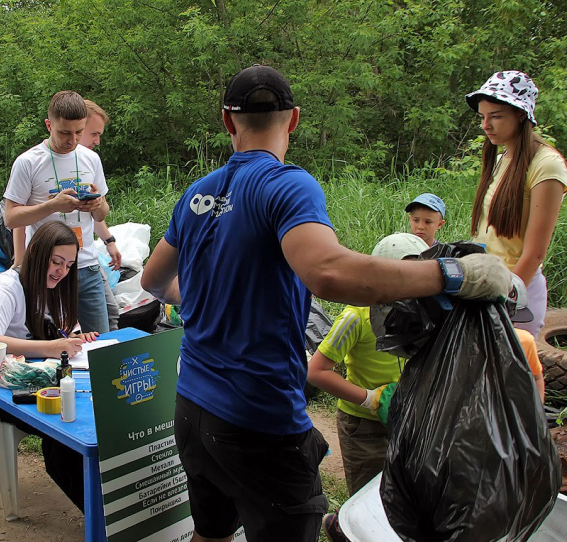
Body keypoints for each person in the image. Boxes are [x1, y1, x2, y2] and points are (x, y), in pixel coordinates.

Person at [141, 64, 512, 542]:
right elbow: (329, 273)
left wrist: (210, 298)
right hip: (259, 418)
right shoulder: (286, 185)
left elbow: (154, 280)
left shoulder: (198, 193)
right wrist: (453, 274)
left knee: (210, 533)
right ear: (293, 120)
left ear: (227, 121)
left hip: (192, 406)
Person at [0, 220, 97, 511]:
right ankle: (100, 518)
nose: (62, 271)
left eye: (69, 265)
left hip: (29, 370)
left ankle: (105, 503)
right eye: (56, 262)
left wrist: (75, 339)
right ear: (37, 253)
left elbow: (61, 331)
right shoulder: (7, 287)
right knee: (62, 427)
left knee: (86, 411)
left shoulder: (56, 287)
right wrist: (51, 348)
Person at [307, 232, 428, 542]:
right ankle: (343, 527)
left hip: (407, 421)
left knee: (405, 495)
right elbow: (316, 371)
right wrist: (369, 399)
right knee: (366, 498)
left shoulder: (425, 317)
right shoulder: (356, 317)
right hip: (363, 427)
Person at [466, 70, 567, 337]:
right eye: (482, 117)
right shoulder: (503, 158)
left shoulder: (546, 164)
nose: (486, 125)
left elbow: (534, 254)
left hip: (513, 294)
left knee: (514, 377)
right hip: (487, 286)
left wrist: (503, 301)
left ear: (521, 115)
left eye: (496, 116)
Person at [4, 90, 111, 333]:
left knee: (101, 344)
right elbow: (11, 218)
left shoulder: (91, 159)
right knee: (49, 345)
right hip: (46, 270)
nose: (72, 140)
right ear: (48, 125)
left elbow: (103, 213)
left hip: (86, 267)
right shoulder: (28, 162)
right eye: (64, 132)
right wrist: (52, 206)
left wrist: (97, 205)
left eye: (79, 132)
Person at [79, 99, 121, 331]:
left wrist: (109, 242)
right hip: (64, 262)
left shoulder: (90, 161)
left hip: (88, 258)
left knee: (112, 313)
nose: (97, 141)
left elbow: (97, 212)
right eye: (93, 134)